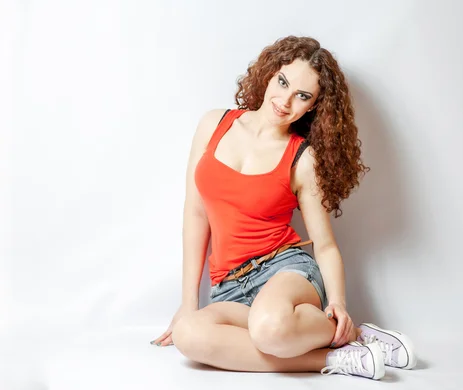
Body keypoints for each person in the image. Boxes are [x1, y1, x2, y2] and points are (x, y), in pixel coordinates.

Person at [150, 35, 417, 380]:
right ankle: (342, 354)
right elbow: (196, 214)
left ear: (313, 107)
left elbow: (324, 244)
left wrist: (338, 303)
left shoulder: (301, 159)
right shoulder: (213, 125)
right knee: (189, 334)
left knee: (270, 327)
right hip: (228, 288)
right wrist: (188, 304)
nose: (285, 100)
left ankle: (341, 329)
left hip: (284, 272)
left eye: (302, 96)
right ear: (270, 73)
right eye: (283, 82)